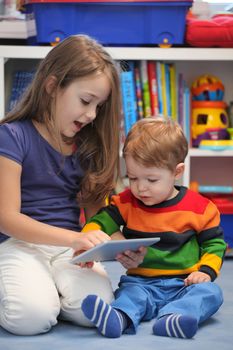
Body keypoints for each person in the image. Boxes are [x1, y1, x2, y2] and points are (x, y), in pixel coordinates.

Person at [0, 34, 144, 336]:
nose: (92, 115)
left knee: (96, 311)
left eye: (99, 106)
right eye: (85, 101)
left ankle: (46, 290)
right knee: (31, 319)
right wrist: (72, 239)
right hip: (18, 245)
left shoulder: (87, 147)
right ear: (52, 87)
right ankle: (35, 291)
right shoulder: (12, 136)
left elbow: (97, 217)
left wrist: (120, 246)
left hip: (69, 251)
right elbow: (7, 219)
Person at [80, 117, 227, 339]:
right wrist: (87, 239)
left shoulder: (201, 208)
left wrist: (204, 272)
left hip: (185, 283)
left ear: (177, 172)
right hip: (141, 282)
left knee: (211, 293)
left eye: (151, 179)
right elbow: (99, 222)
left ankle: (173, 319)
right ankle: (119, 318)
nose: (140, 188)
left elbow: (214, 244)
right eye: (133, 177)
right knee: (130, 295)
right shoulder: (126, 202)